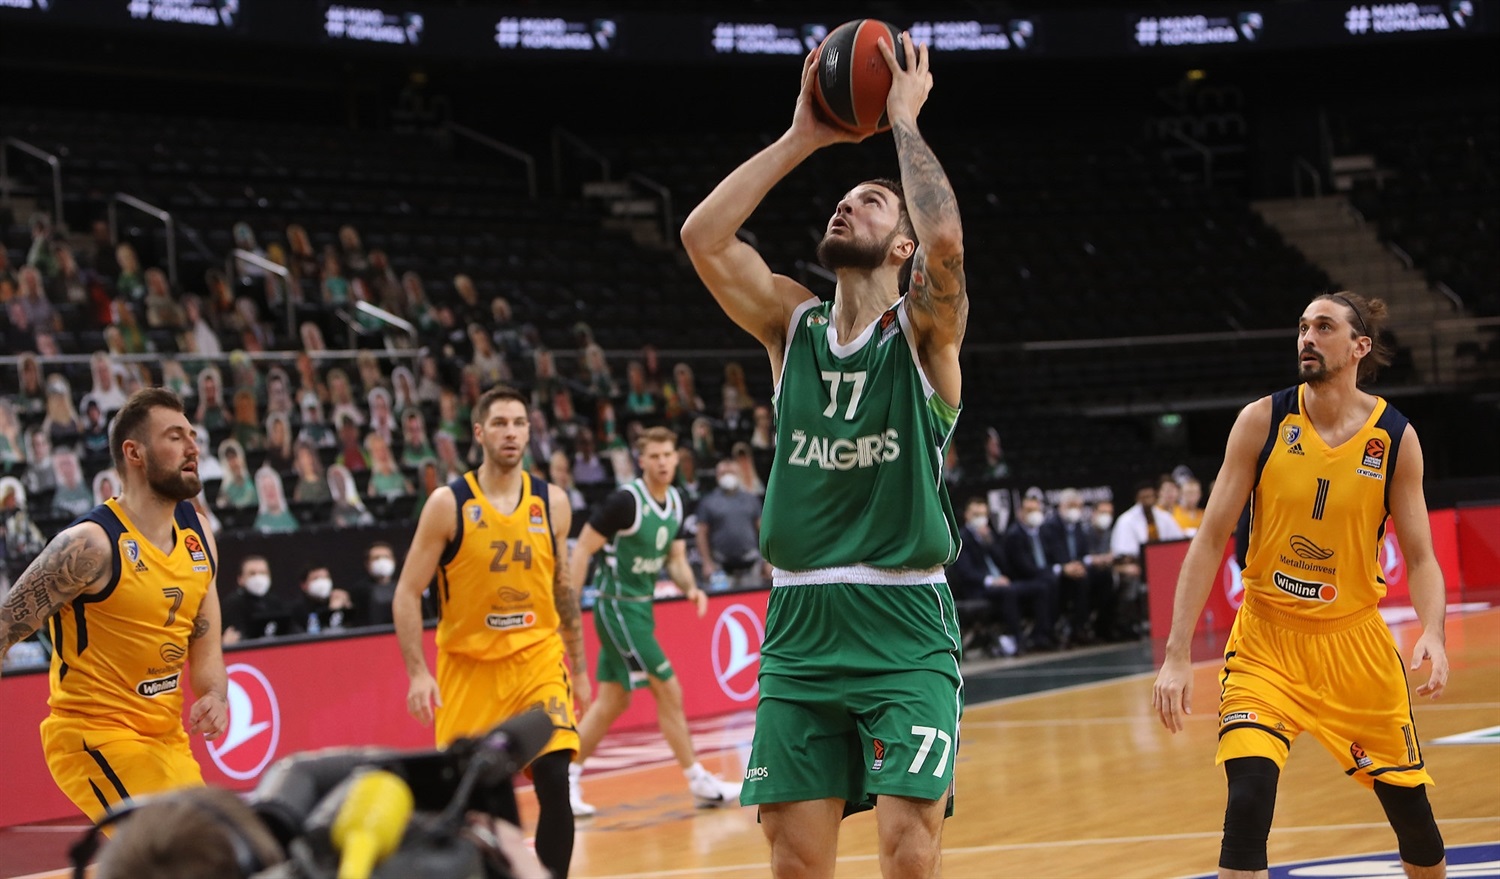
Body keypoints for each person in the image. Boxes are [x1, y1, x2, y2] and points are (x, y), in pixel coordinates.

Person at [681, 32, 966, 878]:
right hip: (800, 622)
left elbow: (947, 245)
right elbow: (703, 237)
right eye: (842, 200)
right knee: (796, 865)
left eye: (871, 201)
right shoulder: (791, 325)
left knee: (908, 852)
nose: (847, 206)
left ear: (903, 247)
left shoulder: (923, 333)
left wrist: (903, 119)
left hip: (903, 618)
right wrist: (803, 136)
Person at [1152, 293, 1449, 879]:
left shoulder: (1394, 437)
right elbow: (1209, 539)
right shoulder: (1262, 420)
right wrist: (1177, 654)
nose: (1307, 337)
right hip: (1267, 642)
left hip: (1354, 649)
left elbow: (1420, 557)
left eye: (1324, 327)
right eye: (1303, 327)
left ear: (1359, 347)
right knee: (1247, 801)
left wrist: (1434, 633)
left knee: (1413, 818)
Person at [0, 388, 228, 821]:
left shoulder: (198, 533)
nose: (193, 447)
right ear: (134, 452)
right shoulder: (90, 545)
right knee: (183, 845)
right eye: (175, 436)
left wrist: (215, 696)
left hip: (166, 738)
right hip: (95, 736)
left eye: (192, 436)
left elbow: (205, 640)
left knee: (223, 843)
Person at [392, 385, 585, 879]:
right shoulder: (448, 504)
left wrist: (579, 666)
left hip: (537, 661)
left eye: (519, 423)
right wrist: (417, 673)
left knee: (555, 778)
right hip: (469, 668)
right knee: (474, 807)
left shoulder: (553, 502)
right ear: (479, 432)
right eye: (500, 423)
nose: (511, 432)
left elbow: (562, 589)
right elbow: (407, 592)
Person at [566, 428, 742, 818]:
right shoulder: (625, 502)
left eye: (668, 455)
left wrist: (691, 587)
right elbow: (582, 550)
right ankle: (698, 780)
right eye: (655, 456)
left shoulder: (676, 502)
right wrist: (571, 604)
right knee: (669, 689)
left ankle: (566, 775)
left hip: (640, 609)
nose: (662, 462)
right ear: (641, 461)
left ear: (677, 459)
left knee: (613, 700)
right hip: (615, 606)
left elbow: (675, 559)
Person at [695, 457, 765, 590]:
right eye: (723, 473)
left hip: (751, 564)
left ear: (739, 474)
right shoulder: (708, 502)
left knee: (753, 599)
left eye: (731, 472)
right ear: (717, 476)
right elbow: (701, 534)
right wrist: (707, 562)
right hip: (720, 566)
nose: (727, 476)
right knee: (722, 601)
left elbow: (762, 530)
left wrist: (767, 561)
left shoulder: (752, 499)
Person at [221, 555, 303, 644]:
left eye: (263, 573)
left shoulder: (274, 601)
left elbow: (292, 629)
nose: (258, 578)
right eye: (252, 573)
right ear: (240, 579)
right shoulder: (232, 604)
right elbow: (235, 637)